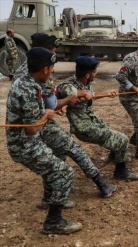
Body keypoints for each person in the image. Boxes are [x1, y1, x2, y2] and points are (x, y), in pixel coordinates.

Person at [13, 33, 116, 208]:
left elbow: (47, 102)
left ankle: (51, 197)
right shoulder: (34, 76)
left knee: (58, 154)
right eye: (53, 49)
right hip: (36, 126)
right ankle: (101, 184)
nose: (56, 51)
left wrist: (56, 105)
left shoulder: (24, 71)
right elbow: (46, 106)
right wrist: (65, 102)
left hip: (37, 121)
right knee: (72, 148)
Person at [6, 47, 82, 234]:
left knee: (53, 167)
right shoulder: (29, 89)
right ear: (46, 69)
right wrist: (46, 115)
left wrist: (47, 112)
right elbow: (32, 129)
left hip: (27, 142)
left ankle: (49, 200)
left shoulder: (25, 81)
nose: (53, 71)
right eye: (52, 67)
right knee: (65, 173)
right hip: (24, 145)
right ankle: (53, 222)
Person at [57, 56, 138, 181]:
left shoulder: (86, 83)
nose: (96, 74)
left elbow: (91, 96)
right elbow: (63, 90)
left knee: (111, 132)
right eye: (94, 72)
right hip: (83, 128)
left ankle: (115, 155)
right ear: (87, 74)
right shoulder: (68, 85)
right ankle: (121, 172)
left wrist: (106, 94)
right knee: (123, 139)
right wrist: (81, 93)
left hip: (92, 121)